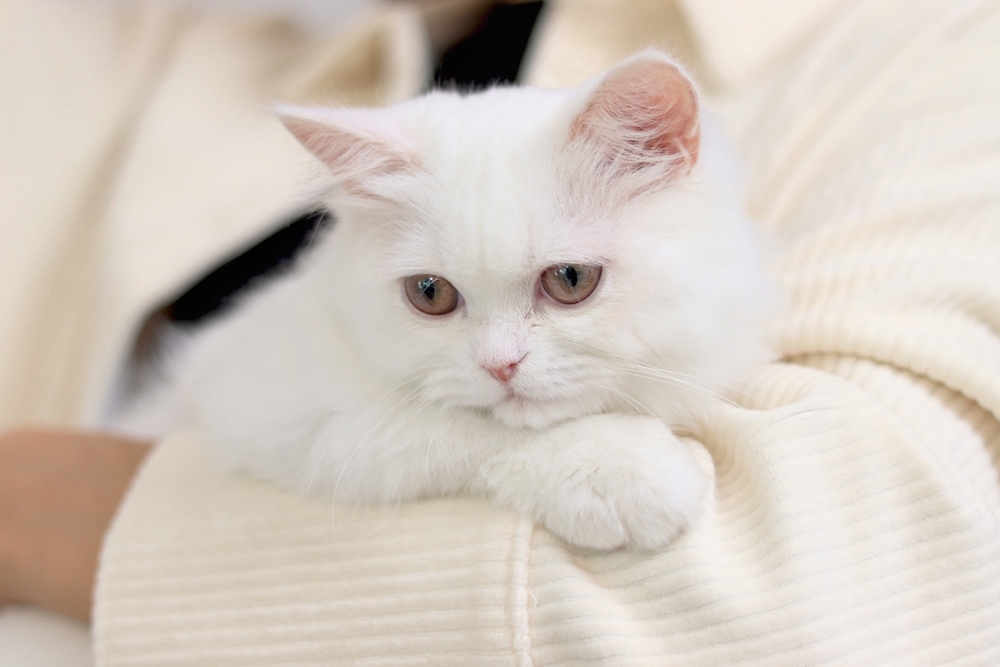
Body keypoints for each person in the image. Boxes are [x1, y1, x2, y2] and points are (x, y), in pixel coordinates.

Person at [3, 0, 1000, 664]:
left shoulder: (922, 50)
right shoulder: (205, 39)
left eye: (566, 280)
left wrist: (68, 515)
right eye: (434, 297)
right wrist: (517, 464)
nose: (499, 356)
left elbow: (819, 593)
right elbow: (254, 408)